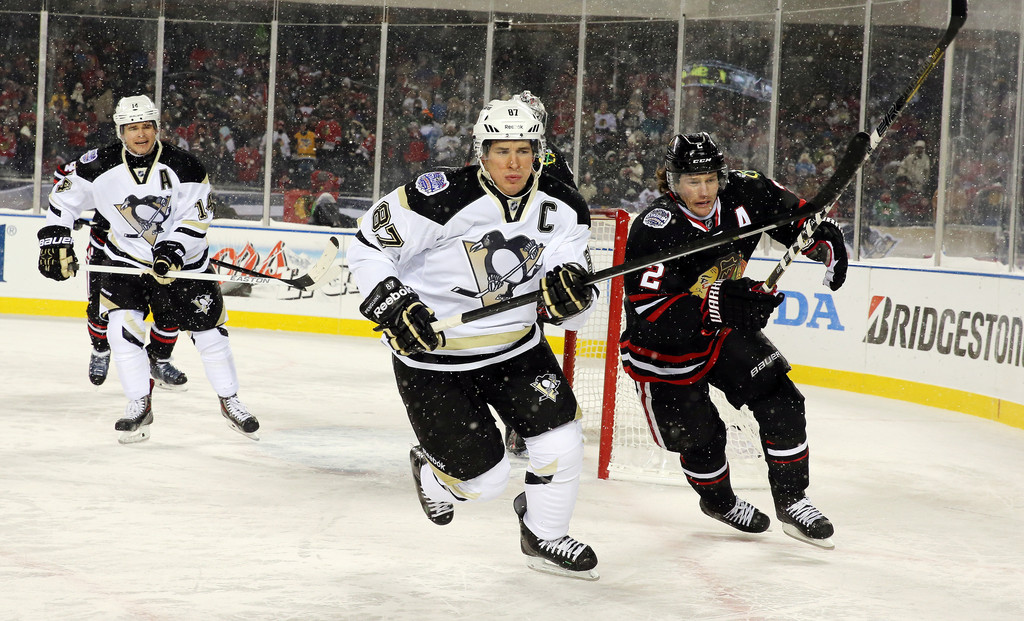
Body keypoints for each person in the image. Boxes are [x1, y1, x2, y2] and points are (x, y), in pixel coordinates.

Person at [347, 97, 600, 579]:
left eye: (524, 150)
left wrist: (572, 293)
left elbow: (569, 292)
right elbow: (367, 244)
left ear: (539, 151)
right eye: (501, 150)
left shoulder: (564, 206)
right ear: (480, 151)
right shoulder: (438, 196)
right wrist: (391, 300)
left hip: (517, 348)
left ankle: (543, 535)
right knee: (486, 481)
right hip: (435, 359)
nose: (513, 162)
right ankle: (436, 476)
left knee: (563, 442)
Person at [618, 132, 848, 549]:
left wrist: (823, 238)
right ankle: (719, 501)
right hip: (664, 351)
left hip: (722, 331)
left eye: (709, 179)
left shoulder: (747, 190)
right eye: (691, 181)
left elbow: (798, 217)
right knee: (701, 439)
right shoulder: (655, 229)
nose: (702, 191)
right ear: (670, 181)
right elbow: (652, 311)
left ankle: (793, 500)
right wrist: (721, 302)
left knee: (782, 397)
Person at [37, 94, 259, 444]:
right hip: (124, 261)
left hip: (185, 264)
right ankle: (138, 403)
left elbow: (196, 217)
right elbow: (62, 198)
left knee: (211, 336)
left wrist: (172, 250)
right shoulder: (97, 164)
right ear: (120, 130)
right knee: (123, 333)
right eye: (132, 128)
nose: (140, 134)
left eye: (146, 127)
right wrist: (52, 239)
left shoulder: (185, 165)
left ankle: (230, 400)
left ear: (157, 127)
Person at [76, 209, 188, 390]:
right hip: (108, 251)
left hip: (157, 254)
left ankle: (159, 360)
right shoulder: (110, 183)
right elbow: (80, 190)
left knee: (170, 309)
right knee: (99, 307)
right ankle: (100, 350)